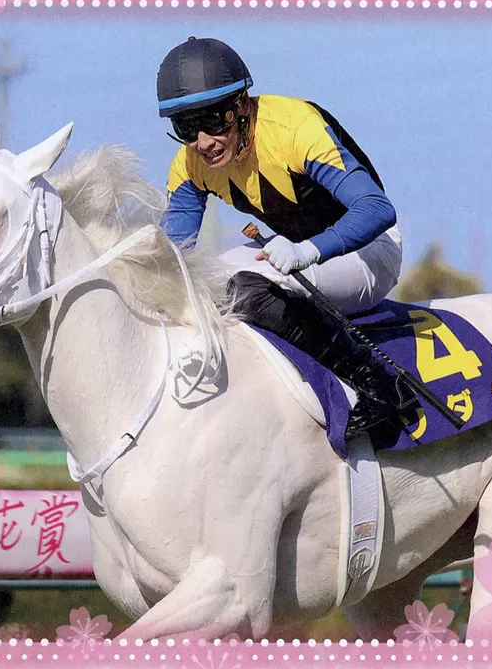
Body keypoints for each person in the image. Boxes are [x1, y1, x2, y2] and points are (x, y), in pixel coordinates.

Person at [157, 36, 414, 440]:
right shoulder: (189, 164)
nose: (204, 141)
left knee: (241, 287)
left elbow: (376, 209)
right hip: (296, 256)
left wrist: (308, 250)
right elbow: (172, 257)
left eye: (215, 120)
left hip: (369, 251)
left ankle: (379, 383)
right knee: (206, 283)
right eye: (187, 128)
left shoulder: (294, 127)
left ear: (242, 105)